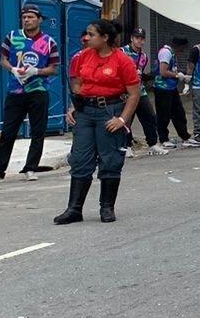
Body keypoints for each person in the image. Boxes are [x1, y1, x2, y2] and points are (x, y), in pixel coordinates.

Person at [55, 19, 139, 225]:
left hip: (109, 111)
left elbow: (134, 94)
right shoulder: (84, 56)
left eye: (92, 35)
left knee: (110, 159)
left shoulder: (122, 60)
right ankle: (74, 209)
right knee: (80, 158)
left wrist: (122, 120)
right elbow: (81, 84)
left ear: (105, 38)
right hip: (85, 113)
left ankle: (107, 207)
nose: (86, 38)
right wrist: (75, 106)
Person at [0, 2, 60, 183]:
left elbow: (53, 69)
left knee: (38, 131)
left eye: (31, 17)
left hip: (39, 91)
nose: (27, 20)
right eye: (24, 17)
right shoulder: (12, 36)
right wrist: (13, 70)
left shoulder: (49, 42)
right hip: (15, 91)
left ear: (39, 20)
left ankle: (31, 168)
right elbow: (3, 60)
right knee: (8, 132)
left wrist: (36, 71)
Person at [123, 26, 164, 152]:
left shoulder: (143, 56)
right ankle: (127, 145)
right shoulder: (122, 52)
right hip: (126, 92)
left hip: (140, 90)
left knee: (150, 116)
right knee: (127, 119)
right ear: (131, 38)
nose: (139, 41)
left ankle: (152, 143)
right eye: (137, 38)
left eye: (142, 38)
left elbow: (141, 72)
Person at [152, 33, 191, 147]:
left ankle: (185, 136)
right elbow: (163, 71)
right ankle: (163, 138)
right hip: (162, 88)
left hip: (171, 88)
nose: (183, 51)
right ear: (178, 46)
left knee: (178, 112)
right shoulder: (166, 53)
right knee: (163, 114)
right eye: (183, 48)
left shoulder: (172, 53)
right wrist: (177, 76)